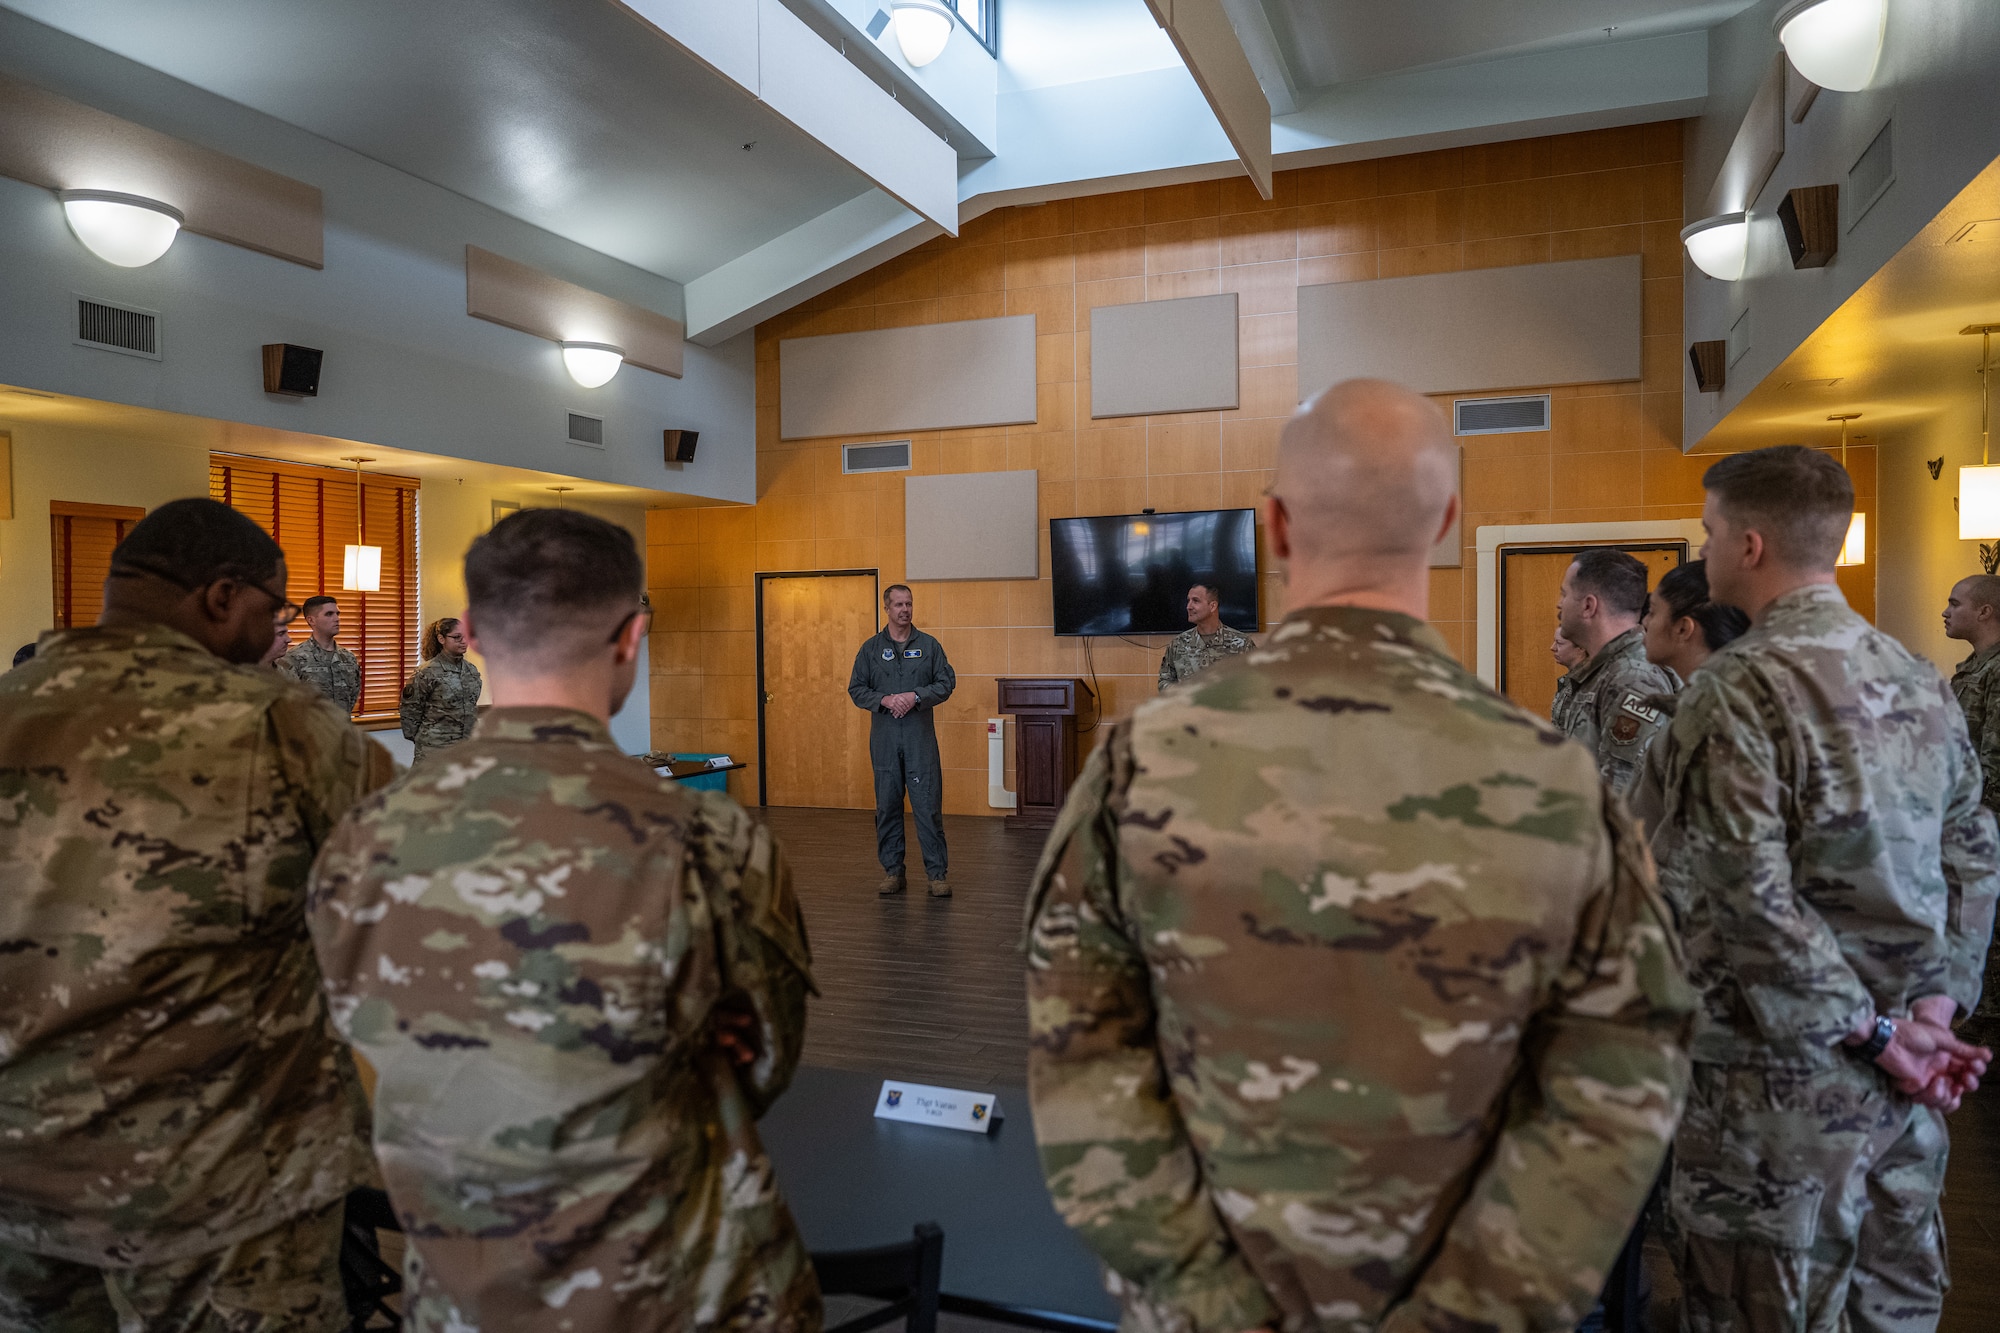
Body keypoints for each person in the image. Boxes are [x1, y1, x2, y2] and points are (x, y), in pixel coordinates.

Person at [1025, 378, 1694, 1333]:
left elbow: (1079, 1053)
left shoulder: (1141, 766)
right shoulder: (1558, 788)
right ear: (1445, 522)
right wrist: (1475, 1303)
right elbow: (1626, 1074)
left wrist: (1205, 1295)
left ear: (1277, 526)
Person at [307, 509, 819, 1333]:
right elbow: (764, 1062)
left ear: (473, 633)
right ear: (632, 637)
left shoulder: (364, 838)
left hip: (457, 1288)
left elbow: (354, 1038)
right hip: (670, 1289)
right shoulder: (708, 839)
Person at [0, 498, 389, 1331]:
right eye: (274, 610)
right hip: (222, 1187)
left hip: (20, 1174)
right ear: (222, 596)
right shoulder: (275, 723)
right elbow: (405, 902)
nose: (276, 630)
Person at [1653, 445, 1998, 1333]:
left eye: (1711, 532)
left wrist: (1879, 1033)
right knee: (1894, 1311)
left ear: (1751, 545)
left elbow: (1746, 894)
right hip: (1905, 1093)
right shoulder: (1917, 677)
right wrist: (1936, 1007)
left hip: (1776, 1102)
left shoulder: (1733, 690)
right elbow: (1973, 848)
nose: (1706, 550)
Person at [1627, 561, 1749, 839]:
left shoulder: (1720, 721)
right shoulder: (1692, 708)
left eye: (1653, 612)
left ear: (1683, 629)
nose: (1645, 623)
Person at [848, 584, 956, 898]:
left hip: (919, 740)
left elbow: (946, 683)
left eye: (908, 604)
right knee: (887, 807)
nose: (905, 609)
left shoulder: (929, 646)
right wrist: (884, 700)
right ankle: (893, 872)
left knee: (927, 807)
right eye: (898, 604)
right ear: (887, 608)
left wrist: (915, 696)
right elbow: (857, 689)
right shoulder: (870, 649)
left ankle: (937, 875)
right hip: (884, 741)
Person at [1552, 548, 1678, 798]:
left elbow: (1623, 794)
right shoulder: (1602, 671)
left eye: (1564, 594)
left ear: (1588, 606)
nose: (1559, 603)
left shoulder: (1632, 678)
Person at [1944, 573, 2000, 814]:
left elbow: (1995, 760)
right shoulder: (1973, 665)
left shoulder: (1996, 669)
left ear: (1984, 612)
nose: (1945, 613)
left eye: (1954, 604)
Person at [400, 615, 482, 762]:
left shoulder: (471, 670)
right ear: (441, 639)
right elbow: (409, 713)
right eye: (457, 637)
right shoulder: (426, 672)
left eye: (465, 636)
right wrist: (428, 739)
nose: (464, 641)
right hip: (435, 750)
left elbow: (471, 706)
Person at [1157, 582, 1255, 690]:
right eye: (1188, 601)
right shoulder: (1178, 644)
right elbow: (1164, 681)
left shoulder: (1242, 644)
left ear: (1212, 606)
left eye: (1195, 601)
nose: (1188, 606)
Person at [278, 594, 361, 714]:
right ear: (311, 620)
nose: (336, 619)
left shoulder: (349, 658)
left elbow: (352, 697)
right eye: (329, 614)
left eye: (337, 614)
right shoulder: (293, 658)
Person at [1550, 625, 1585, 720]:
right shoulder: (1567, 682)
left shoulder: (1593, 684)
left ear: (1581, 647)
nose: (1552, 648)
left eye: (1559, 643)